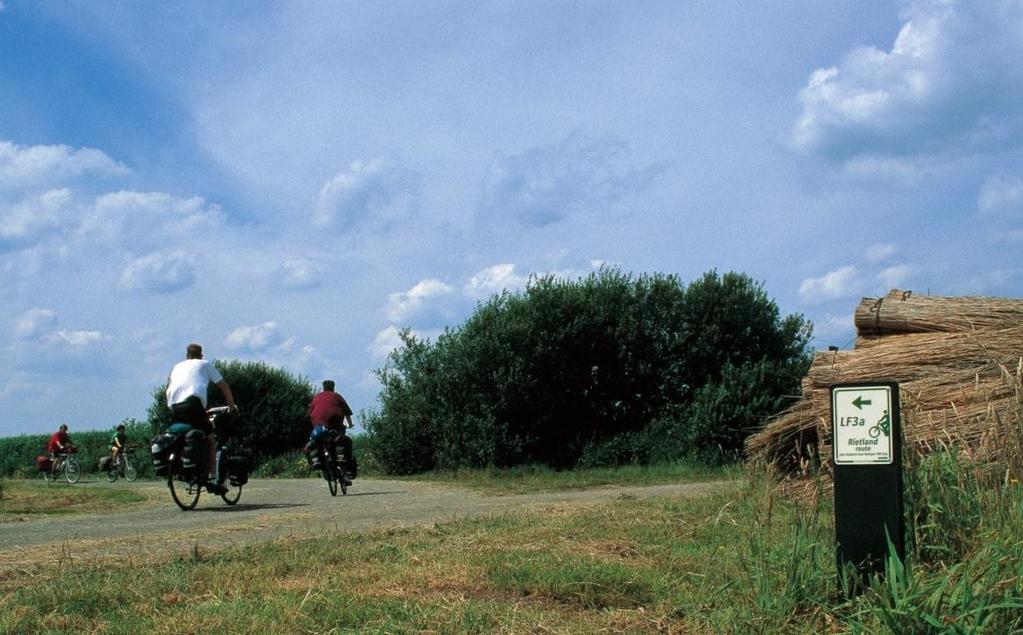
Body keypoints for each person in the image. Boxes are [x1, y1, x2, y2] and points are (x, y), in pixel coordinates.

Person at [165, 343, 237, 494]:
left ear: (186, 356)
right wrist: (231, 407)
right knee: (210, 439)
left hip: (173, 407)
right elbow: (224, 386)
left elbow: (168, 387)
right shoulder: (205, 364)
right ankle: (211, 478)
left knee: (186, 434)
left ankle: (186, 468)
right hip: (193, 406)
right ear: (201, 355)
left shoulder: (177, 366)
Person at [306, 379, 355, 484]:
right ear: (333, 387)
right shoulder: (336, 396)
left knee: (317, 444)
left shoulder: (316, 398)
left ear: (323, 388)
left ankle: (324, 466)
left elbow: (309, 414)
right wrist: (350, 425)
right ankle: (346, 471)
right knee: (345, 442)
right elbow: (347, 413)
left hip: (318, 428)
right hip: (334, 426)